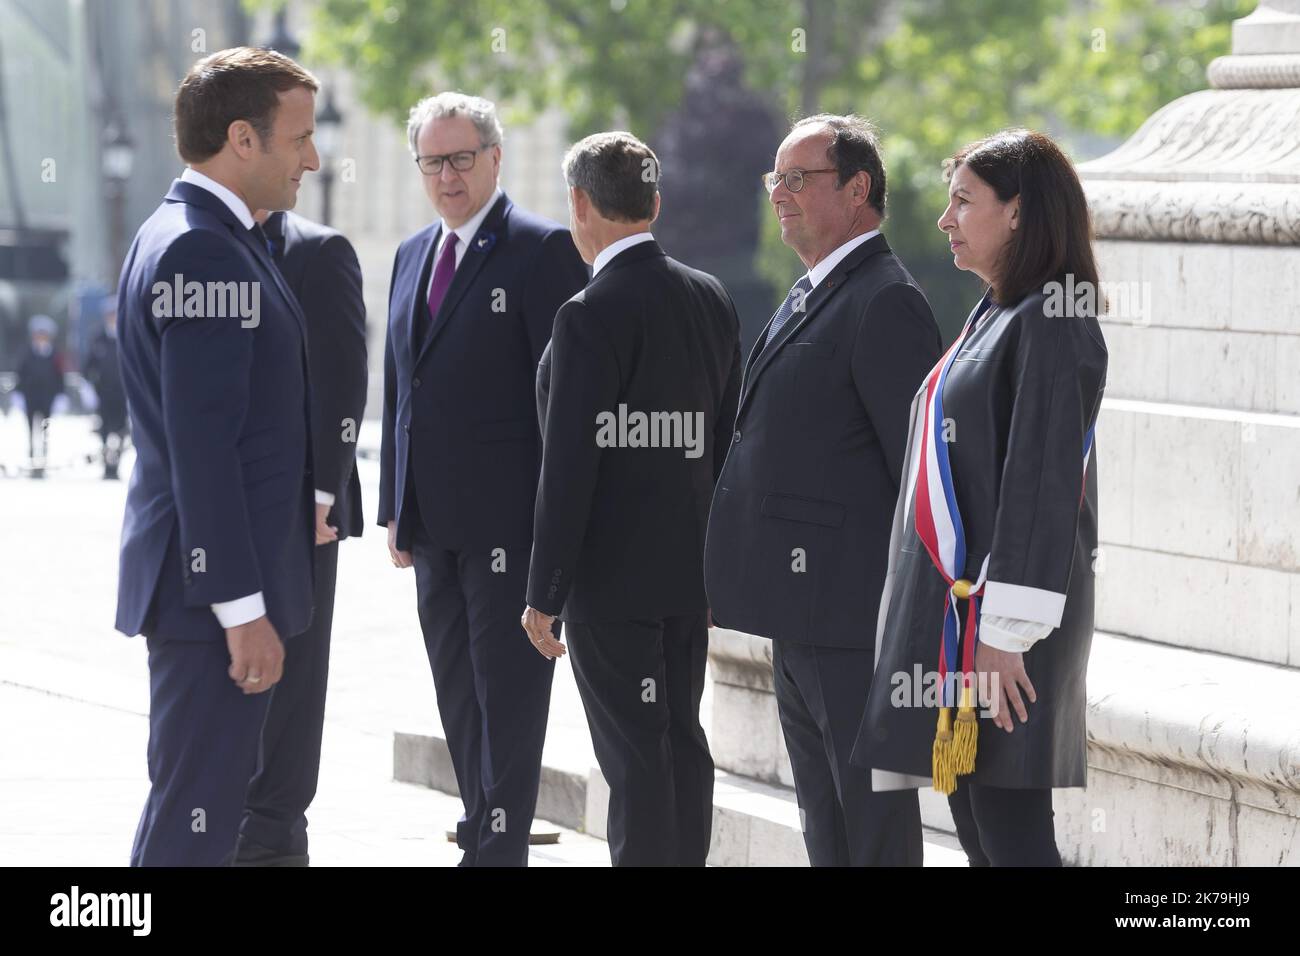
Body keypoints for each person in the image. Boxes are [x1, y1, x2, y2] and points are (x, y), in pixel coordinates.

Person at [850, 128, 1108, 867]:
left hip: (1003, 634)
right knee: (982, 834)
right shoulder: (997, 311)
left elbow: (1040, 483)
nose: (945, 219)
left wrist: (1006, 632)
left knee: (1013, 839)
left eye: (964, 200)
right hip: (967, 625)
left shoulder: (1052, 317)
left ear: (1020, 212)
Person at [704, 114, 941, 866]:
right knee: (825, 825)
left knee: (872, 829)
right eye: (774, 179)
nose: (779, 194)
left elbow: (917, 476)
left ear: (858, 188)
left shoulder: (885, 300)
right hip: (800, 615)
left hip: (854, 622)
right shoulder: (814, 289)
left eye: (797, 178)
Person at [114, 46, 320, 866]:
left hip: (200, 590)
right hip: (211, 602)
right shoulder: (203, 250)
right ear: (243, 139)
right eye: (298, 137)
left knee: (190, 808)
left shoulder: (191, 235)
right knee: (193, 822)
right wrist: (243, 612)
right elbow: (204, 450)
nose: (311, 156)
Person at [378, 92, 588, 866]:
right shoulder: (410, 255)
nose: (447, 174)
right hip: (430, 523)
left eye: (462, 157)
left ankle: (500, 850)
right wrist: (395, 506)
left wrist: (555, 526)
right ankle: (480, 828)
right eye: (433, 160)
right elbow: (404, 383)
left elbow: (565, 402)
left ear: (495, 158)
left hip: (509, 527)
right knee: (457, 694)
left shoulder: (540, 250)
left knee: (509, 695)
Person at [522, 132, 741, 866]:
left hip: (612, 588)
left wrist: (544, 590)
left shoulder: (588, 313)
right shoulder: (709, 296)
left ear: (581, 203)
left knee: (636, 761)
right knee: (682, 740)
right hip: (688, 579)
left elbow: (570, 467)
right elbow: (721, 446)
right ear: (655, 200)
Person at [235, 208, 367, 866]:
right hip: (218, 505)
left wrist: (324, 494)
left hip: (299, 515)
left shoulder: (321, 253)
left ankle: (273, 834)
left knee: (291, 680)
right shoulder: (196, 243)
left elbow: (345, 378)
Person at [82, 307, 129, 479]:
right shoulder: (98, 339)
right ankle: (106, 466)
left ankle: (116, 465)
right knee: (104, 431)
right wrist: (88, 390)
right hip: (103, 394)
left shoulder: (127, 336)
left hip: (123, 394)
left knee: (121, 431)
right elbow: (88, 367)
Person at [14, 314, 64, 477]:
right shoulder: (28, 353)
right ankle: (31, 457)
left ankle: (43, 457)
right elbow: (20, 374)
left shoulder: (54, 354)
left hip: (47, 398)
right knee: (30, 428)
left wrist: (60, 396)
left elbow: (59, 377)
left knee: (44, 429)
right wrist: (18, 394)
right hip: (30, 397)